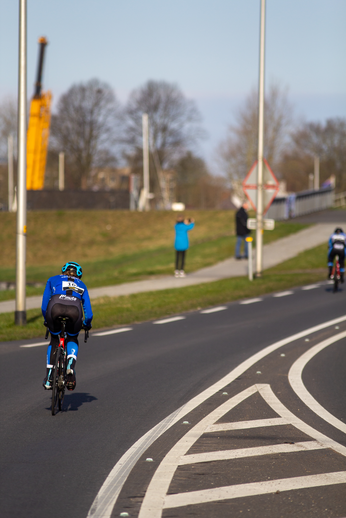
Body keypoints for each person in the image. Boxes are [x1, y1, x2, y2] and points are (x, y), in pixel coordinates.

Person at [41, 261, 93, 391]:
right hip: (74, 311)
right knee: (72, 338)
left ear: (63, 270)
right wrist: (86, 324)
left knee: (54, 339)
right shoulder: (82, 285)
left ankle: (48, 378)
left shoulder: (52, 279)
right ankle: (70, 364)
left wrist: (46, 319)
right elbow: (89, 313)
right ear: (79, 275)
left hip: (54, 308)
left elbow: (44, 305)